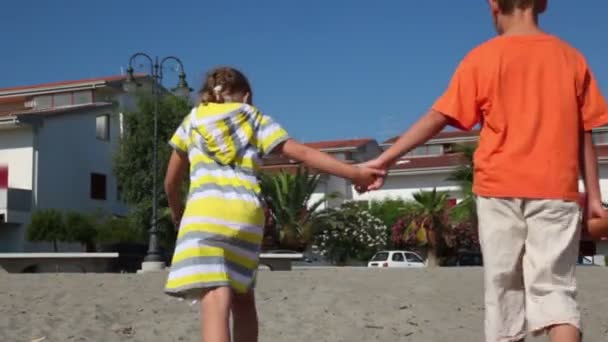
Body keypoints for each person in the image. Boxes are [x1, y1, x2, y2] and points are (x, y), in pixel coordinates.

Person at [361, 0, 608, 341]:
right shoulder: (572, 59)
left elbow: (439, 117)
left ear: (493, 5)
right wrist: (594, 198)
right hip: (556, 190)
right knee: (556, 292)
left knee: (503, 293)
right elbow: (586, 133)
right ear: (544, 4)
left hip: (498, 190)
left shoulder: (483, 57)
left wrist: (385, 159)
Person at [163, 66, 384, 342]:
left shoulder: (191, 122)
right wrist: (355, 173)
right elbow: (301, 153)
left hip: (204, 215)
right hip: (246, 217)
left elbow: (171, 181)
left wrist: (177, 212)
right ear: (245, 97)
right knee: (243, 299)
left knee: (216, 299)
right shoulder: (254, 119)